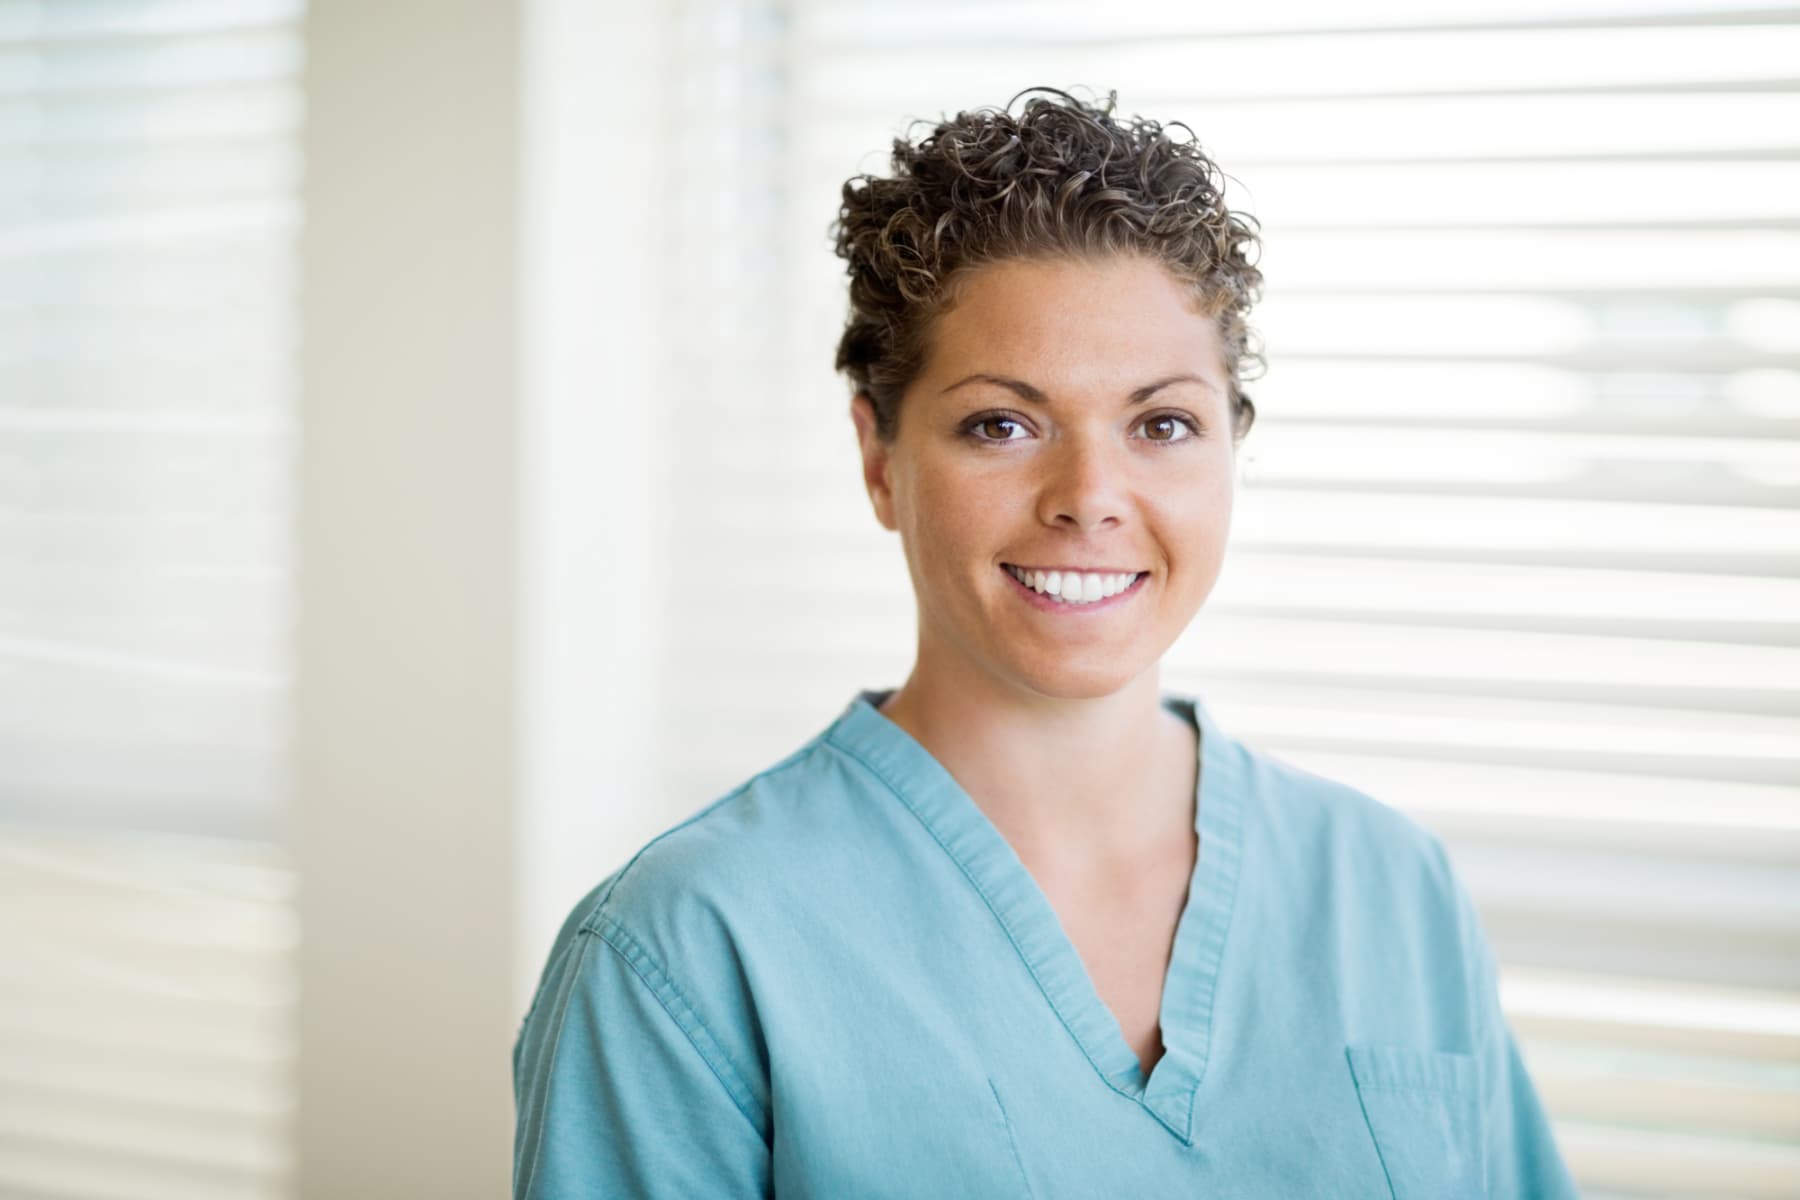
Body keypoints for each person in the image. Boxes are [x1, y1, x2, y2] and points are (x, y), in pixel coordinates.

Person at [513, 87, 1579, 1198]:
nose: (1090, 497)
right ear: (879, 459)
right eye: (1002, 424)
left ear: (1230, 449)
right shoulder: (684, 952)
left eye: (1162, 424)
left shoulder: (1390, 891)